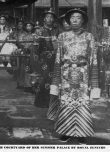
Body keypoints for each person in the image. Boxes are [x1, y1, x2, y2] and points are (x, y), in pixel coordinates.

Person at [50, 8, 100, 144]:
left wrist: (93, 81)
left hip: (83, 75)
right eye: (72, 18)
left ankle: (82, 133)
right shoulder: (62, 37)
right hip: (65, 75)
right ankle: (66, 132)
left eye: (78, 17)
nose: (75, 20)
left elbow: (93, 59)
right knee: (65, 103)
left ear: (83, 20)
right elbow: (58, 59)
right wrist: (56, 80)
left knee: (82, 104)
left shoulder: (89, 37)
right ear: (68, 21)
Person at [47, 13, 71, 121]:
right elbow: (57, 51)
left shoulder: (82, 35)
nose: (66, 24)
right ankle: (58, 116)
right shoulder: (61, 35)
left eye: (67, 22)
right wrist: (54, 43)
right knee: (59, 91)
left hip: (75, 67)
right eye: (64, 22)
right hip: (61, 65)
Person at [34, 8, 59, 108]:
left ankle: (54, 102)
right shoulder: (39, 30)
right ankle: (42, 102)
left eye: (51, 17)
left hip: (56, 57)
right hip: (44, 58)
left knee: (55, 78)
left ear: (53, 20)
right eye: (47, 17)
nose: (49, 19)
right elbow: (36, 47)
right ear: (44, 19)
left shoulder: (57, 30)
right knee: (44, 78)